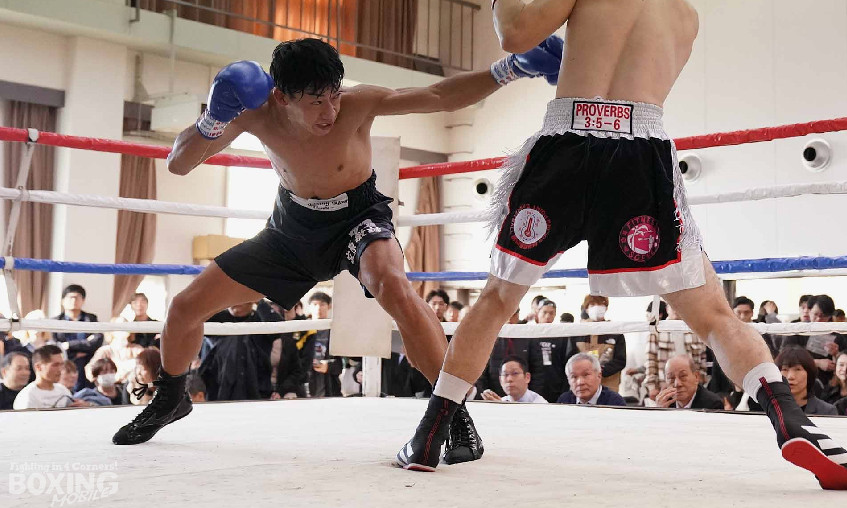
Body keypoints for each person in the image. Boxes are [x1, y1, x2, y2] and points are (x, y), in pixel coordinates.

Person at [397, 0, 847, 489]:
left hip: (567, 145)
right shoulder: (685, 11)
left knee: (496, 299)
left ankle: (430, 433)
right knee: (713, 314)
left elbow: (515, 33)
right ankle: (791, 420)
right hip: (641, 153)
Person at [114, 37, 560, 455]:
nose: (329, 110)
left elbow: (438, 96)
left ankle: (453, 413)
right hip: (290, 230)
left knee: (394, 287)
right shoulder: (254, 113)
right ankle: (170, 398)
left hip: (358, 218)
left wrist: (510, 68)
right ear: (282, 97)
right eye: (315, 101)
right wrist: (213, 118)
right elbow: (178, 164)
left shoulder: (357, 103)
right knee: (184, 308)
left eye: (333, 95)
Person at [567, 295, 626, 392]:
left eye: (600, 304)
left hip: (608, 386)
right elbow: (570, 358)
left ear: (606, 308)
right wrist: (584, 372)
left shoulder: (615, 332)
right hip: (582, 385)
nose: (597, 307)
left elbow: (620, 360)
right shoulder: (577, 331)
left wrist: (599, 371)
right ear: (586, 309)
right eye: (592, 305)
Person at [52, 284, 103, 390]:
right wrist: (79, 350)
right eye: (70, 297)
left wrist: (69, 345)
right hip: (65, 362)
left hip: (87, 362)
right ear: (63, 301)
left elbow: (97, 341)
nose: (73, 300)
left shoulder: (91, 319)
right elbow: (55, 345)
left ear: (83, 300)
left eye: (77, 297)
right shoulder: (55, 321)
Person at [13, 345, 83, 410]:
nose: (60, 369)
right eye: (55, 365)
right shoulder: (27, 396)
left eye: (61, 364)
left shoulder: (63, 391)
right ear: (38, 367)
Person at [654, 354, 724, 410]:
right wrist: (660, 412)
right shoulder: (664, 403)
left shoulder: (713, 404)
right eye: (671, 378)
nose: (677, 384)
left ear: (696, 377)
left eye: (683, 376)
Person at [557, 353, 627, 406]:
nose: (580, 382)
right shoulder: (564, 401)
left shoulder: (615, 402)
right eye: (574, 377)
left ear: (599, 376)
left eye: (586, 375)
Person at [481, 357, 547, 403]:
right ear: (500, 380)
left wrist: (502, 409)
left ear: (527, 377)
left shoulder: (539, 403)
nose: (509, 379)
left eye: (515, 373)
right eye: (505, 374)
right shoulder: (502, 401)